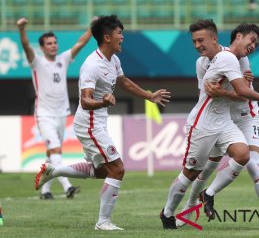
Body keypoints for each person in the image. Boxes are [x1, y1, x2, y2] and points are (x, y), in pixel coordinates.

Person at [34, 15, 171, 231]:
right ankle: (103, 222)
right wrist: (103, 101)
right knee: (117, 169)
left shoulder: (113, 60)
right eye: (119, 33)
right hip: (89, 123)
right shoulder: (92, 65)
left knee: (101, 171)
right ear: (107, 37)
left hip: (97, 121)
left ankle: (55, 171)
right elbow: (85, 101)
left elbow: (123, 81)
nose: (122, 38)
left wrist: (149, 95)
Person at [160, 19, 259, 229]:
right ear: (238, 37)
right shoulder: (205, 62)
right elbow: (209, 93)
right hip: (209, 122)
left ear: (214, 39)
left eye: (201, 40)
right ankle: (175, 211)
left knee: (247, 159)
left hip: (241, 116)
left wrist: (228, 92)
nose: (198, 45)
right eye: (195, 42)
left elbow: (241, 95)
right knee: (196, 172)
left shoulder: (237, 58)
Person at [17, 17, 94, 199]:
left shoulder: (63, 59)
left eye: (55, 42)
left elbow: (81, 43)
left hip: (61, 114)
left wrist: (93, 27)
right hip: (44, 115)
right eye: (49, 43)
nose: (53, 45)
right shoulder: (36, 62)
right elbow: (26, 46)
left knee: (52, 154)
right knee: (56, 151)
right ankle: (68, 187)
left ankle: (45, 191)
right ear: (42, 48)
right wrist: (21, 29)